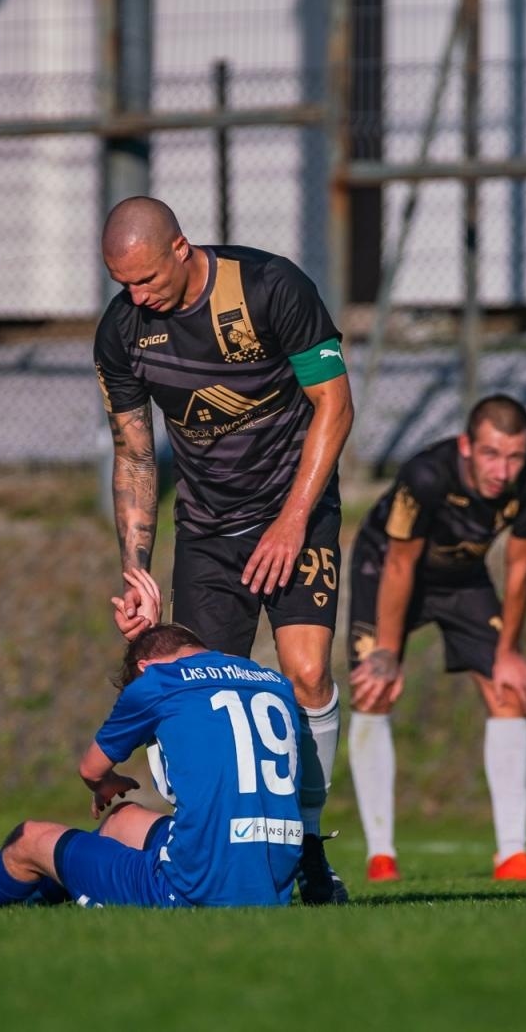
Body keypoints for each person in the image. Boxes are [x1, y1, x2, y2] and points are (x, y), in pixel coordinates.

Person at [93, 196, 354, 903]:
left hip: (295, 513)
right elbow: (135, 453)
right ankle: (203, 852)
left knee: (304, 674)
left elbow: (336, 403)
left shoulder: (271, 287)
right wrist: (137, 567)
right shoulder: (122, 331)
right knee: (198, 696)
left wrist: (294, 518)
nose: (136, 297)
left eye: (145, 280)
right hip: (207, 530)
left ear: (181, 247)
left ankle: (306, 846)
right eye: (124, 284)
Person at [0, 569, 303, 909]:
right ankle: (25, 885)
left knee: (27, 838)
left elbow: (91, 769)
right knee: (122, 819)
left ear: (143, 666)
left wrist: (104, 784)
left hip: (191, 890)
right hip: (269, 885)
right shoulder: (270, 680)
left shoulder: (155, 681)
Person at [347, 394, 526, 883]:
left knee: (510, 692)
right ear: (467, 446)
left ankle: (513, 855)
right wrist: (388, 652)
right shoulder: (425, 475)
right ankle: (381, 856)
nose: (502, 470)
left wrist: (509, 653)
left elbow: (520, 568)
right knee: (373, 689)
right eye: (490, 454)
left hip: (463, 579)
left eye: (514, 456)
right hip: (387, 571)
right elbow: (400, 564)